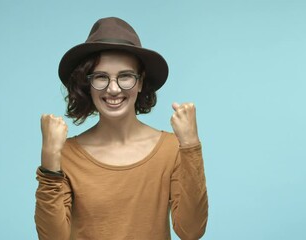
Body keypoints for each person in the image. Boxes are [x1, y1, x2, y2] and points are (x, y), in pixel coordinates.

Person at [35, 17, 208, 240]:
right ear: (88, 84)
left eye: (125, 76)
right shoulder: (66, 154)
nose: (114, 89)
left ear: (141, 81)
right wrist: (49, 160)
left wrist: (191, 145)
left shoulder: (170, 149)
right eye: (101, 77)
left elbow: (191, 231)